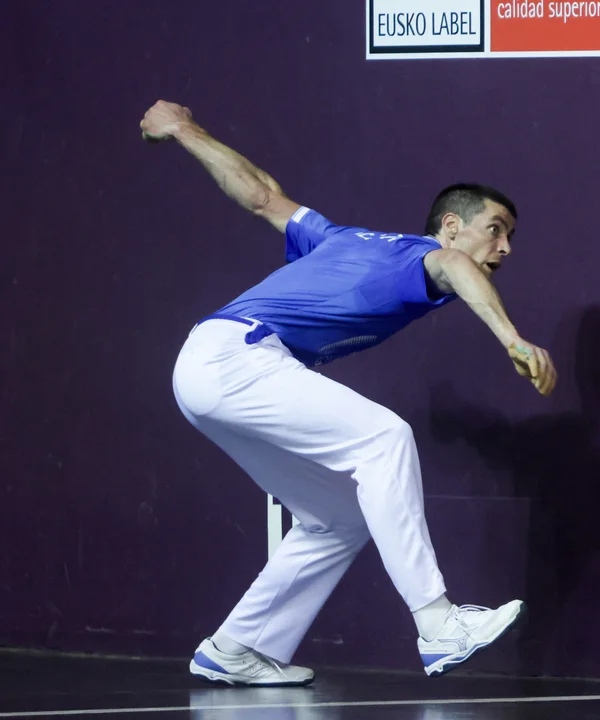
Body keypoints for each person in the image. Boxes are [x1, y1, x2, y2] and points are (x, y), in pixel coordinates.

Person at [140, 100, 557, 686]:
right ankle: (439, 624)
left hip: (209, 369)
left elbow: (260, 195)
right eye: (496, 229)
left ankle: (237, 647)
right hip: (236, 357)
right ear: (451, 225)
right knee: (385, 438)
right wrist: (511, 338)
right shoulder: (428, 257)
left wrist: (184, 129)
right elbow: (457, 268)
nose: (506, 247)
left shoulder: (339, 237)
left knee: (336, 518)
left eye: (510, 236)